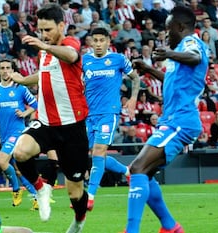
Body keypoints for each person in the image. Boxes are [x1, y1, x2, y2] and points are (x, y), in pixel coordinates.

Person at [123, 6, 209, 233]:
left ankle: (133, 231)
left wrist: (169, 54)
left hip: (179, 121)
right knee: (144, 172)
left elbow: (195, 57)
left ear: (180, 27)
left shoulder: (191, 43)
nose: (165, 33)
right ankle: (171, 227)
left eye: (168, 28)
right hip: (173, 120)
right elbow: (172, 79)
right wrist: (149, 69)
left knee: (138, 168)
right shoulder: (180, 50)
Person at [10, 3, 89, 232]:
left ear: (62, 26)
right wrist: (25, 81)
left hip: (72, 127)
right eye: (40, 30)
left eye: (48, 30)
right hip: (46, 123)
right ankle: (41, 187)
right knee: (20, 152)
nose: (43, 34)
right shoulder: (45, 51)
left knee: (75, 190)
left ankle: (79, 220)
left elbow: (72, 55)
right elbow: (46, 74)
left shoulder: (69, 43)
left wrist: (44, 45)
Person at [82, 27, 139, 211]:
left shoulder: (118, 59)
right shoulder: (85, 61)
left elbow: (135, 78)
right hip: (89, 115)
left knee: (98, 151)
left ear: (108, 41)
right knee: (96, 155)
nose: (98, 44)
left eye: (101, 40)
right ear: (91, 42)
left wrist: (133, 98)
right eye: (95, 40)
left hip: (109, 113)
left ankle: (89, 196)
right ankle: (127, 171)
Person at [0, 59, 38, 207]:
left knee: (1, 160)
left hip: (17, 132)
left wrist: (25, 113)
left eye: (8, 68)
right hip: (4, 134)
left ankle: (16, 189)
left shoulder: (20, 88)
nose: (5, 71)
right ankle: (36, 196)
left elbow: (35, 105)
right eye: (3, 68)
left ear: (13, 71)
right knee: (17, 168)